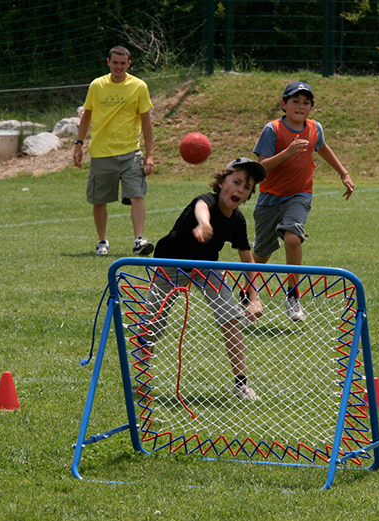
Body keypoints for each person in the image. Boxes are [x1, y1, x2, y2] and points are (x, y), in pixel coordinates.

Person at [140, 158, 266, 400]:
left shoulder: (238, 220)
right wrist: (204, 224)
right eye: (236, 182)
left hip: (206, 268)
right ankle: (140, 373)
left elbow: (247, 260)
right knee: (153, 324)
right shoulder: (206, 200)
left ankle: (241, 384)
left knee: (230, 317)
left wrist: (254, 297)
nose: (240, 189)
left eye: (247, 187)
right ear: (221, 182)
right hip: (171, 264)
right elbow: (201, 208)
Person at [251, 81, 355, 322]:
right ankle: (247, 293)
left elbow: (323, 148)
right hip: (269, 198)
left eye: (306, 102)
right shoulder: (272, 129)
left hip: (299, 194)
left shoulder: (314, 128)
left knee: (293, 237)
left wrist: (343, 172)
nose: (301, 106)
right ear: (283, 104)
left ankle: (293, 295)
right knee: (261, 254)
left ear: (311, 107)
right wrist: (287, 153)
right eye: (295, 101)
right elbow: (259, 167)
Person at [73, 46, 156, 256]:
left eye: (123, 63)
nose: (118, 67)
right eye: (115, 62)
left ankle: (139, 240)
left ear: (129, 64)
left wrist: (150, 154)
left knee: (137, 195)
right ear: (108, 62)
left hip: (130, 153)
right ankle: (102, 242)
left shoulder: (138, 86)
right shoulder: (97, 85)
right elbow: (87, 115)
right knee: (99, 200)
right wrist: (78, 143)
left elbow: (146, 122)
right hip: (101, 153)